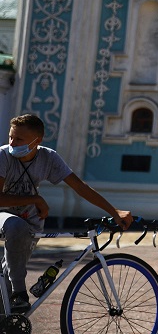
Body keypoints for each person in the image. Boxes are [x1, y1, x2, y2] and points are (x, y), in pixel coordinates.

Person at [0, 114, 132, 313]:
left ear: (37, 141)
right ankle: (20, 293)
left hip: (30, 222)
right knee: (15, 229)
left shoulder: (48, 158)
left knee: (9, 276)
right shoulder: (4, 156)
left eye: (19, 139)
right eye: (11, 137)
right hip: (4, 217)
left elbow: (79, 186)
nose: (12, 143)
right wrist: (35, 199)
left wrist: (114, 212)